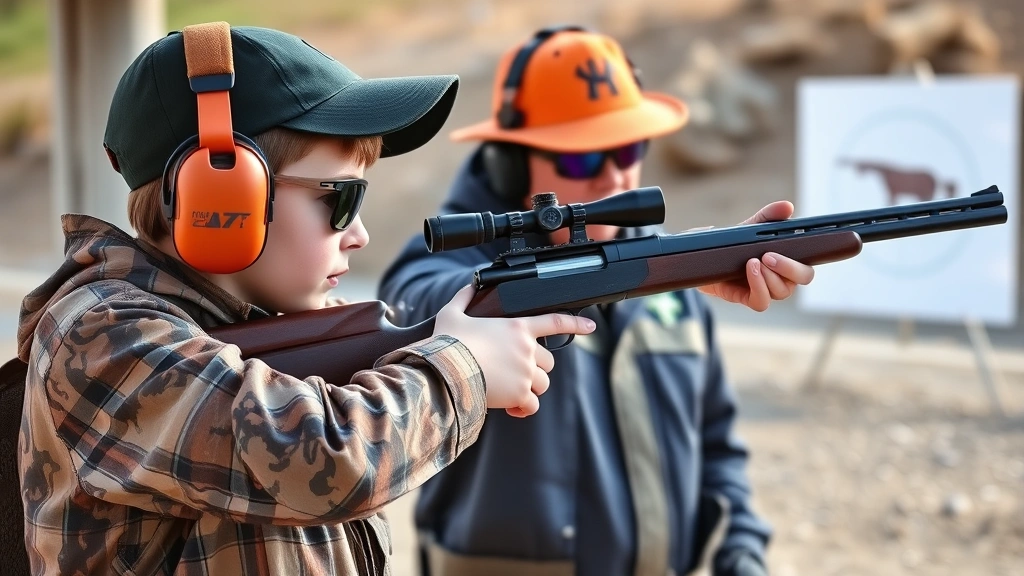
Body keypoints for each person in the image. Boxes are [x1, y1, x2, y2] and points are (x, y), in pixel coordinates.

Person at [14, 22, 594, 576]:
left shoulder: (271, 339)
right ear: (225, 197)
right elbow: (321, 458)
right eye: (339, 199)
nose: (359, 233)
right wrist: (461, 368)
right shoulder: (97, 335)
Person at [378, 26, 815, 576]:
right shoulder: (443, 269)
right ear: (511, 162)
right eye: (582, 160)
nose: (614, 176)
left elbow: (717, 447)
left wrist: (741, 551)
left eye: (628, 148)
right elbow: (413, 300)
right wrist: (583, 284)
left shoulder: (671, 277)